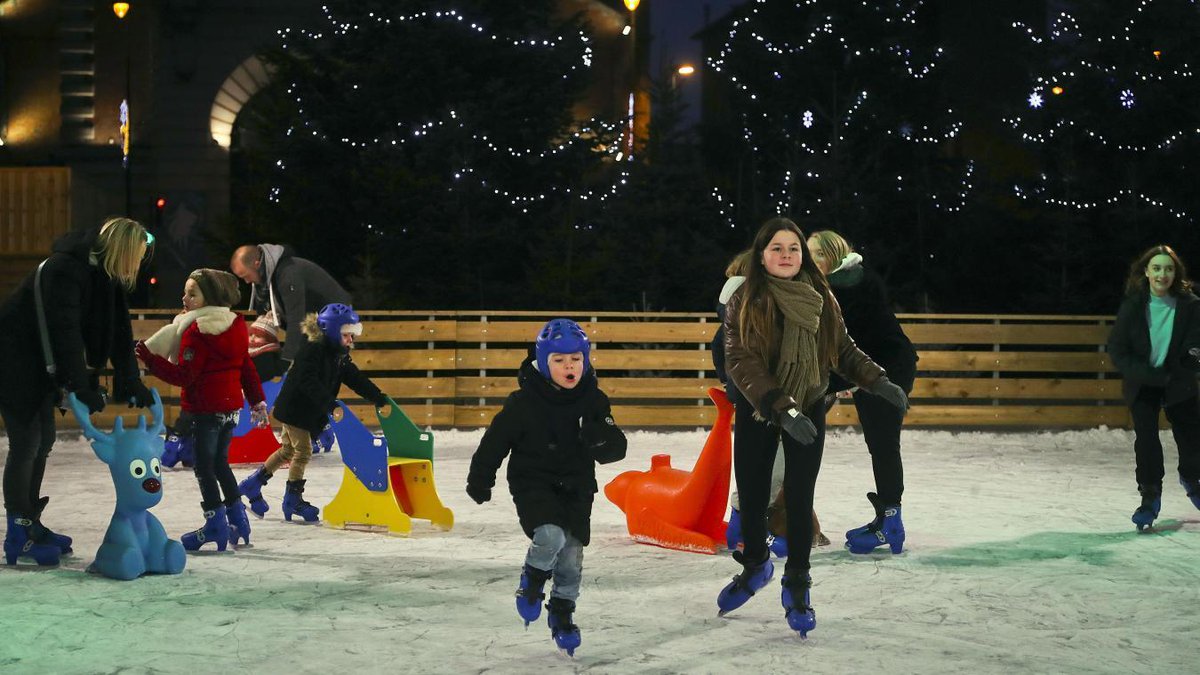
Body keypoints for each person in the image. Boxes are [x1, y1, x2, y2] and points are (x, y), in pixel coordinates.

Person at [717, 217, 908, 637]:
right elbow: (741, 361)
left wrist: (878, 380)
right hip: (760, 409)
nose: (786, 256)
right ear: (761, 254)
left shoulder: (821, 295)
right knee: (752, 498)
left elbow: (841, 348)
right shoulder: (746, 298)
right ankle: (755, 568)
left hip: (809, 405)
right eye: (777, 249)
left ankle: (798, 583)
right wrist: (781, 409)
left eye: (793, 249)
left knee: (800, 498)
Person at [465, 319, 627, 656]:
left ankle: (563, 614)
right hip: (532, 480)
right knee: (550, 536)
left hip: (578, 486)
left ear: (586, 360)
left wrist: (600, 440)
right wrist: (481, 478)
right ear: (543, 361)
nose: (569, 367)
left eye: (576, 360)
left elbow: (616, 448)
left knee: (571, 555)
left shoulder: (593, 399)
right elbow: (494, 442)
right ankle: (532, 582)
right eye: (559, 360)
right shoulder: (523, 402)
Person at [1, 217, 155, 566]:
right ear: (122, 250)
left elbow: (119, 331)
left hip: (41, 365)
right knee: (27, 442)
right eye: (136, 256)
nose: (137, 265)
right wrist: (79, 386)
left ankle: (31, 524)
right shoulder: (64, 270)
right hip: (14, 361)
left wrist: (130, 381)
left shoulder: (104, 275)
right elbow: (64, 331)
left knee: (44, 441)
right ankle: (17, 533)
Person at [135, 269, 268, 552]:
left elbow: (184, 376)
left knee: (205, 469)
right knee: (219, 464)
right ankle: (238, 521)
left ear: (210, 297)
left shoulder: (197, 332)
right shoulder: (234, 326)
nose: (184, 297)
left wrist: (149, 359)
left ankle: (215, 525)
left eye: (192, 293)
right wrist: (257, 400)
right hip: (231, 410)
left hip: (205, 410)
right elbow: (246, 367)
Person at [807, 230, 918, 554]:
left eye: (816, 254)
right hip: (868, 370)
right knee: (879, 444)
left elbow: (853, 346)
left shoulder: (853, 285)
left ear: (832, 255)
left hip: (888, 370)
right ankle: (888, 519)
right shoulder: (834, 286)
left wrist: (827, 387)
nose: (809, 261)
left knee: (883, 444)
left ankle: (891, 523)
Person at [713, 250, 830, 552]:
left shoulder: (744, 311)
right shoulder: (748, 311)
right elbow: (735, 361)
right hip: (766, 408)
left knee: (773, 470)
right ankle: (752, 528)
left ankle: (754, 522)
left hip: (771, 405)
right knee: (773, 469)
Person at [237, 303, 389, 523]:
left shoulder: (338, 354)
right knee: (303, 452)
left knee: (288, 450)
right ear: (333, 331)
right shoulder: (313, 348)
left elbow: (355, 378)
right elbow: (307, 380)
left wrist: (378, 397)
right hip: (296, 409)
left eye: (352, 335)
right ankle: (292, 499)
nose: (351, 341)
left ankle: (253, 484)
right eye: (347, 335)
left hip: (304, 410)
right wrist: (329, 403)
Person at [1106, 244, 1200, 531]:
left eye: (1168, 268)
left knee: (1191, 437)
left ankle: (1193, 480)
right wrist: (1149, 375)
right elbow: (1118, 350)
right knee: (1146, 440)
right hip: (1144, 381)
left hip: (1178, 380)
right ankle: (1150, 497)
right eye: (1157, 268)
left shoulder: (1190, 305)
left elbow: (1195, 343)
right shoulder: (1133, 305)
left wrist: (1190, 361)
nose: (1162, 274)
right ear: (1146, 271)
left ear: (1176, 273)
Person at [229, 244, 351, 381]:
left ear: (257, 264)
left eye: (246, 275)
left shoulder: (288, 274)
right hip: (313, 320)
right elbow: (264, 317)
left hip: (337, 318)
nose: (246, 281)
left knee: (304, 366)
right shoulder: (267, 280)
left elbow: (296, 320)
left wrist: (285, 360)